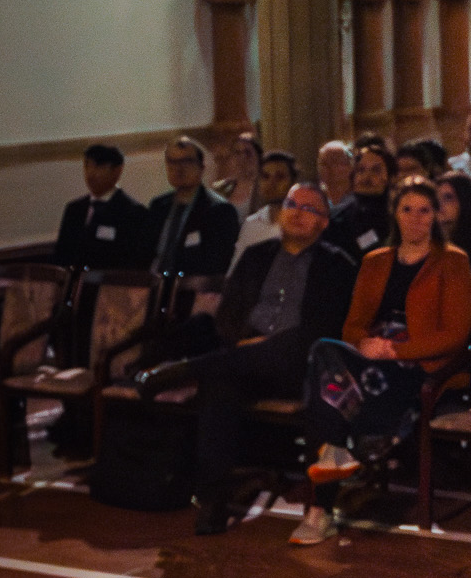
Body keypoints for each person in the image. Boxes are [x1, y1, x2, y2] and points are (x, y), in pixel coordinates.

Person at [132, 182, 356, 535]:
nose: (297, 213)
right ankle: (214, 501)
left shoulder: (337, 265)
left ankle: (183, 370)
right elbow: (228, 315)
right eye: (292, 205)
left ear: (324, 222)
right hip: (245, 361)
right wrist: (246, 343)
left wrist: (266, 345)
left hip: (300, 366)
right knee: (219, 383)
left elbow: (323, 330)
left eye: (309, 208)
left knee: (285, 345)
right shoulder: (256, 256)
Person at [296, 177, 471, 546]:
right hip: (372, 353)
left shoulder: (453, 261)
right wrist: (365, 344)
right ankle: (336, 457)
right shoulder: (375, 261)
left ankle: (320, 507)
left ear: (435, 215)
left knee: (329, 398)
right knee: (323, 353)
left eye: (424, 210)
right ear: (395, 213)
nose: (415, 218)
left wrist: (396, 351)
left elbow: (456, 334)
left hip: (419, 361)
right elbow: (353, 325)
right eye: (407, 209)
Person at [143, 136, 241, 277]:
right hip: (154, 284)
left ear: (201, 167)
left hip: (192, 285)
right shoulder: (159, 205)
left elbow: (217, 265)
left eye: (187, 161)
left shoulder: (220, 211)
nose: (178, 168)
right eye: (172, 162)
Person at [51, 142, 148, 271]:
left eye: (98, 166)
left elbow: (132, 262)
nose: (91, 173)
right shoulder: (74, 209)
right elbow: (61, 256)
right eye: (87, 166)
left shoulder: (133, 212)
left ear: (117, 170)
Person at [323, 142, 394, 260]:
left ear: (388, 176)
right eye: (361, 170)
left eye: (376, 170)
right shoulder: (337, 217)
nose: (367, 176)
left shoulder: (397, 214)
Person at [230, 148, 299, 263]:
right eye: (265, 176)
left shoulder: (302, 223)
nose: (271, 183)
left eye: (280, 177)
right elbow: (237, 268)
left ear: (293, 182)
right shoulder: (251, 224)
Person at [213, 130, 263, 217]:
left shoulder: (264, 187)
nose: (242, 157)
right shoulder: (220, 188)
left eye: (247, 152)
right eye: (237, 152)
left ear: (258, 157)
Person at [315, 139, 355, 208]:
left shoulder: (359, 197)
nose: (328, 167)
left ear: (350, 166)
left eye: (334, 162)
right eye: (324, 163)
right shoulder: (313, 198)